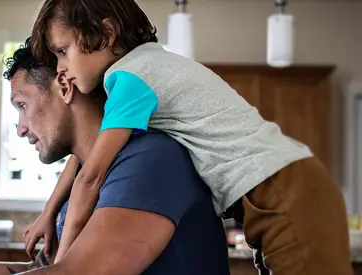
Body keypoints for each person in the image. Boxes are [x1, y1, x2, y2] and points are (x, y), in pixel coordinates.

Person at [21, 0, 352, 273]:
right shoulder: (144, 68)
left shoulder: (131, 79)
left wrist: (63, 266)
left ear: (107, 33)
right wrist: (49, 211)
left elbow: (91, 176)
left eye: (62, 50)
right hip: (282, 190)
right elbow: (87, 156)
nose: (60, 67)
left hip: (285, 191)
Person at [0, 39, 230, 275]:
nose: (20, 128)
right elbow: (40, 272)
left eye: (22, 105)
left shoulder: (150, 159)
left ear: (64, 86)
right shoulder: (82, 177)